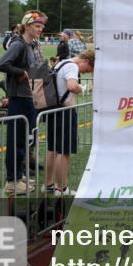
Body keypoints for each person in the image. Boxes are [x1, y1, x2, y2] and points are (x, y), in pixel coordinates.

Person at [0, 10, 47, 195]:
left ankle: (19, 175)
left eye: (41, 26)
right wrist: (20, 73)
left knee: (26, 140)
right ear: (27, 26)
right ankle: (11, 181)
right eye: (36, 26)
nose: (40, 29)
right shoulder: (18, 44)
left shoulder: (31, 44)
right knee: (15, 140)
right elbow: (0, 64)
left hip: (28, 97)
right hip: (18, 98)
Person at [44, 49, 94, 196]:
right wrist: (83, 88)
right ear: (85, 61)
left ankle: (49, 184)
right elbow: (72, 86)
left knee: (52, 149)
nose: (86, 73)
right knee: (64, 151)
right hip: (65, 111)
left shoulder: (61, 63)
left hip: (53, 109)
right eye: (89, 69)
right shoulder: (72, 66)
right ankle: (62, 188)